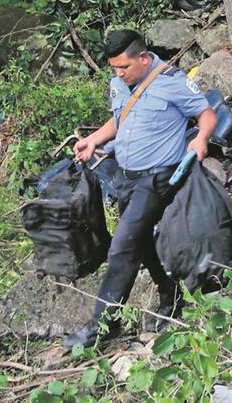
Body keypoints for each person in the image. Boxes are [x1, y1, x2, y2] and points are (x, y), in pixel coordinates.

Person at [63, 30, 217, 350]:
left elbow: (206, 114)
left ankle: (101, 325)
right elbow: (121, 119)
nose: (119, 74)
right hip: (126, 176)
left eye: (124, 67)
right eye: (114, 68)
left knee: (122, 247)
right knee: (142, 242)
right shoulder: (119, 84)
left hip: (157, 178)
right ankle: (170, 294)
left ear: (144, 58)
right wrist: (94, 140)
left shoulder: (172, 82)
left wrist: (201, 138)